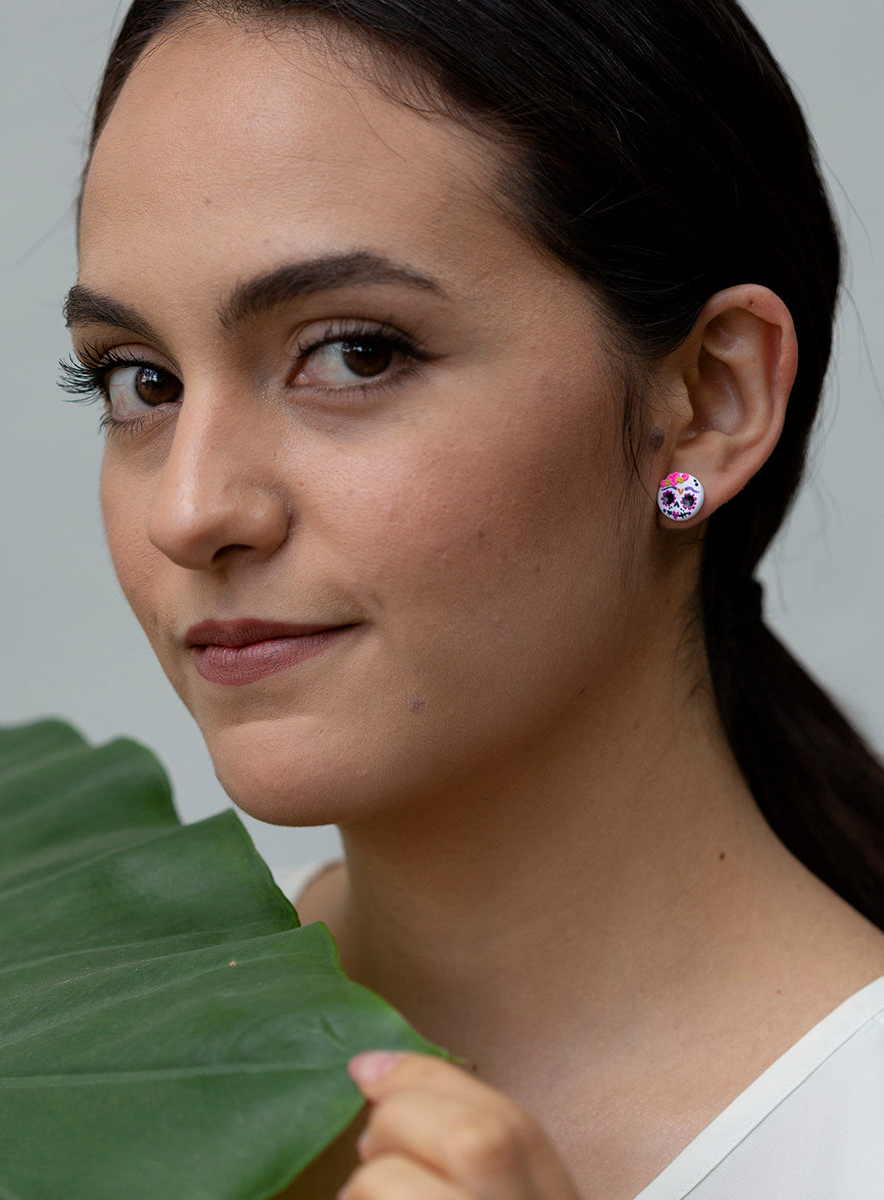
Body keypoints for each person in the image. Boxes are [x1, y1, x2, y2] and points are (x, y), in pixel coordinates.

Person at [61, 1, 884, 1195]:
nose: (188, 512)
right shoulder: (68, 1088)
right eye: (140, 380)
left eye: (354, 353)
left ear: (706, 399)